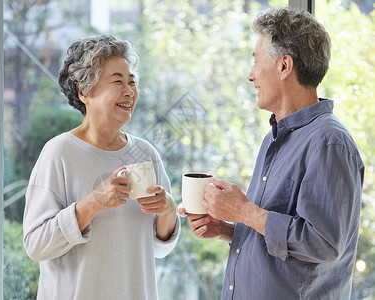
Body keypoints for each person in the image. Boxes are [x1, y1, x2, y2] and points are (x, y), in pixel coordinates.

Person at [180, 7, 364, 299]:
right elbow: (280, 241)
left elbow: (324, 244)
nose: (250, 75)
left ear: (284, 66)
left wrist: (243, 211)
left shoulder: (329, 143)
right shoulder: (274, 139)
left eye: (256, 61)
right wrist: (230, 229)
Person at [23, 34, 180, 299]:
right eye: (118, 81)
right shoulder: (59, 153)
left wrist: (168, 210)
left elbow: (158, 248)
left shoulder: (145, 153)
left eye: (132, 82)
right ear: (84, 92)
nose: (130, 91)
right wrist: (94, 202)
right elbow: (36, 244)